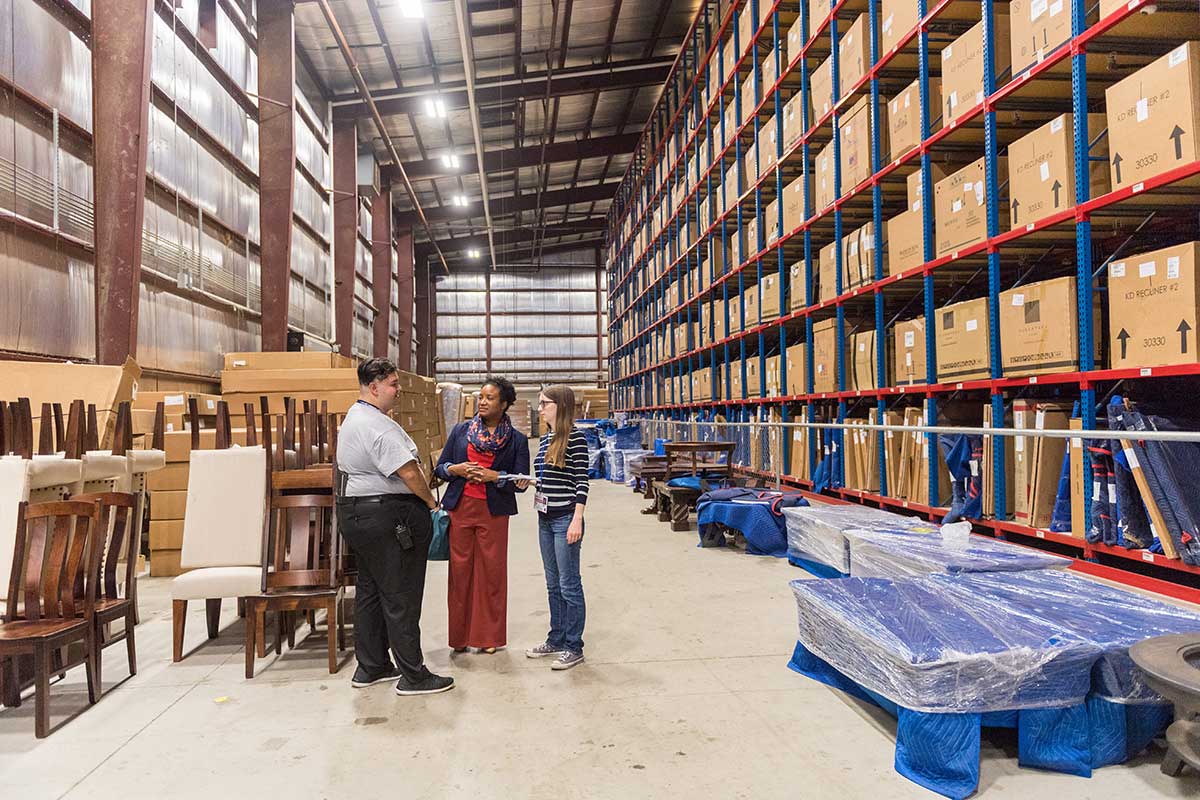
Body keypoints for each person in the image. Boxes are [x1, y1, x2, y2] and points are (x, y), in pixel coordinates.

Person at [335, 357, 454, 696]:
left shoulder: (355, 417)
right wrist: (431, 503)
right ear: (374, 388)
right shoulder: (378, 427)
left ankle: (372, 666)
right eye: (393, 385)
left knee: (371, 591)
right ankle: (414, 675)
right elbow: (410, 472)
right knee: (400, 593)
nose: (398, 391)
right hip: (387, 516)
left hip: (357, 513)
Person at [434, 377, 531, 654]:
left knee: (492, 574)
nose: (483, 402)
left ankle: (488, 638)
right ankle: (460, 638)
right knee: (460, 573)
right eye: (481, 397)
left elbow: (520, 482)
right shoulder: (461, 432)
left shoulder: (516, 441)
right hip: (460, 510)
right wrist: (457, 469)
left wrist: (495, 476)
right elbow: (440, 469)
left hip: (494, 513)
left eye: (490, 398)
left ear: (504, 404)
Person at [525, 385, 590, 670]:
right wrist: (529, 482)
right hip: (545, 518)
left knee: (569, 584)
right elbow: (548, 478)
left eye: (544, 404)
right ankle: (557, 638)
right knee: (553, 584)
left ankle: (574, 646)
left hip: (566, 519)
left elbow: (581, 482)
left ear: (560, 406)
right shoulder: (546, 439)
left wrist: (577, 519)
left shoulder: (575, 438)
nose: (539, 409)